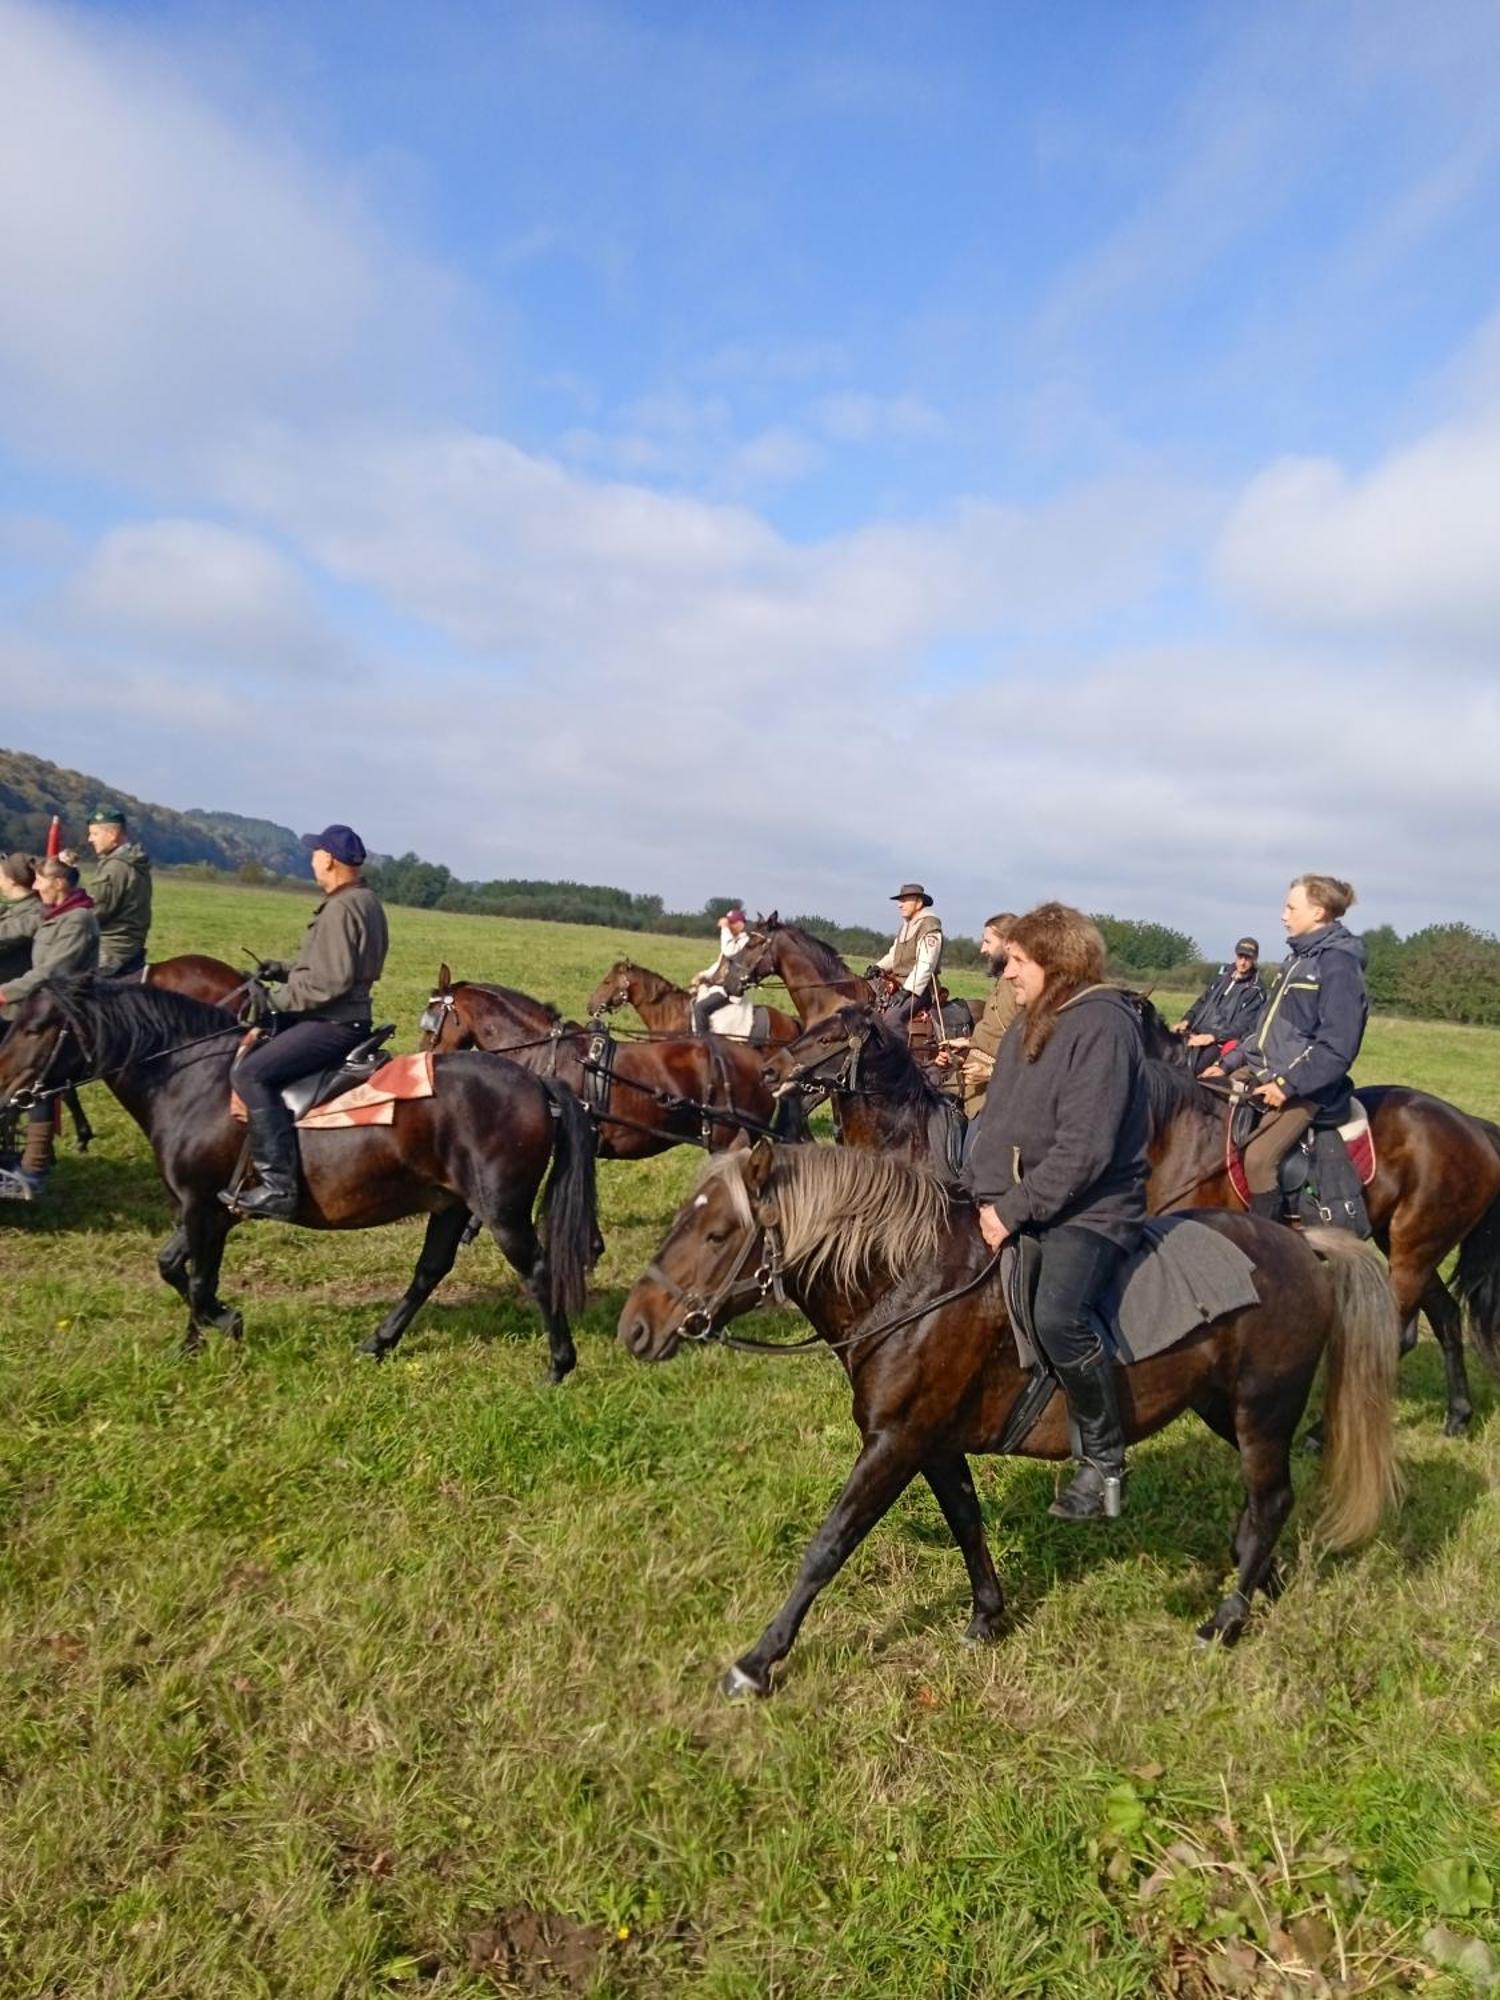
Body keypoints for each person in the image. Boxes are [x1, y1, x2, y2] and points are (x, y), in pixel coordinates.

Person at [964, 902, 1149, 1521]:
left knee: (1056, 1316)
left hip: (1092, 1210)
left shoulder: (1104, 1026)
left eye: (1017, 960)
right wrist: (970, 1190)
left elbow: (1086, 1150)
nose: (1007, 972)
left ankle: (1102, 1461)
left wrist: (1012, 1210)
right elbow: (1006, 1123)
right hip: (1029, 1199)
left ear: (1054, 961)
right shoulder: (1034, 1017)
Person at [225, 824, 389, 1221]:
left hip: (331, 1024)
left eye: (315, 852)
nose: (312, 858)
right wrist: (281, 970)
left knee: (250, 1074)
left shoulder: (341, 907)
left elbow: (329, 982)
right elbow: (331, 965)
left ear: (329, 859)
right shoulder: (363, 900)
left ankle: (277, 1185)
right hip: (344, 1018)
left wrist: (273, 1000)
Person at [1210, 876, 1368, 1221]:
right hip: (1259, 1070)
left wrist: (1286, 1085)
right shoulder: (1296, 959)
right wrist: (1227, 1063)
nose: (1283, 915)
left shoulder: (1338, 964)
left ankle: (1271, 1246)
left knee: (1259, 1159)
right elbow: (1264, 1030)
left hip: (1305, 1086)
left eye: (1290, 907)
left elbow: (1337, 1047)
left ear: (1318, 911)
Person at [0, 858, 100, 1198]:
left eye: (41, 880)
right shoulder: (56, 915)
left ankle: (34, 1166)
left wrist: (3, 993)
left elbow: (50, 974)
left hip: (63, 1016)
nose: (37, 886)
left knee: (39, 1081)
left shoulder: (78, 920)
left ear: (59, 884)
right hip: (42, 1009)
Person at [936, 912, 1018, 1119]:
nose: (983, 949)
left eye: (988, 942)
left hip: (992, 1099)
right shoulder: (1005, 982)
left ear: (1008, 944)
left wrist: (990, 1073)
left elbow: (1032, 1051)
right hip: (969, 1081)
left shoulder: (1021, 989)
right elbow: (997, 1034)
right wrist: (967, 1045)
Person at [1172, 938, 1266, 1073]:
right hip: (1195, 1031)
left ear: (1255, 959)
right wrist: (1186, 1020)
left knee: (1192, 1070)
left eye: (1248, 958)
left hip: (1219, 1042)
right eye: (1240, 957)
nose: (1243, 962)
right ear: (1235, 955)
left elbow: (1241, 1027)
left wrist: (1211, 1037)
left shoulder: (1256, 991)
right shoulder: (1222, 976)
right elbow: (1202, 1002)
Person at [82, 805, 153, 977]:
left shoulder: (116, 867)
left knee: (64, 984)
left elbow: (95, 912)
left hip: (111, 947)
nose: (90, 839)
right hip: (129, 943)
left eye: (94, 834)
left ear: (112, 834)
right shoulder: (132, 861)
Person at [872, 882, 944, 1031]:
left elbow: (926, 965)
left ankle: (898, 1054)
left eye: (905, 900)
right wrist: (877, 967)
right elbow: (894, 955)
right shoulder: (906, 926)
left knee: (890, 1020)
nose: (900, 905)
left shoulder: (930, 926)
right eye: (900, 901)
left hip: (919, 989)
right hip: (898, 984)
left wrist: (907, 990)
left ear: (918, 903)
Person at [689, 909, 752, 1035]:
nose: (729, 926)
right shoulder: (734, 940)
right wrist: (702, 975)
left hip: (730, 990)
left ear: (740, 924)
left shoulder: (745, 942)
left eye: (731, 923)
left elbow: (729, 951)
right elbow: (720, 965)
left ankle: (704, 1044)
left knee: (700, 1008)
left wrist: (724, 927)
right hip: (719, 987)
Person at [0, 853, 43, 991]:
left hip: (13, 993)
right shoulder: (14, 907)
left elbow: (7, 933)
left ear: (11, 879)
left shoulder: (34, 913)